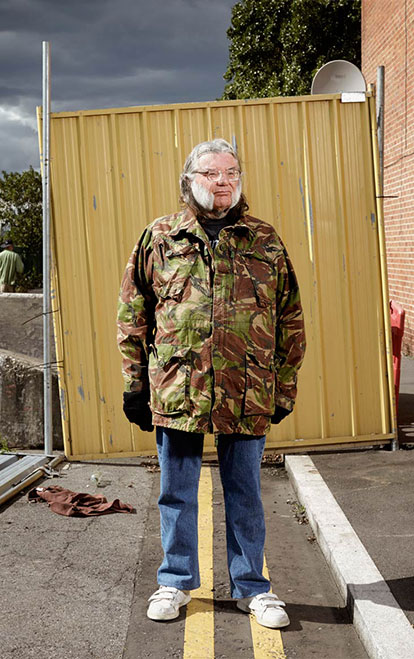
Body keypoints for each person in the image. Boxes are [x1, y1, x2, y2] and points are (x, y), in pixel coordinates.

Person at [117, 138, 306, 628]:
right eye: (212, 173)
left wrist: (284, 387)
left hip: (247, 391)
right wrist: (135, 385)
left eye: (231, 172)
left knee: (245, 493)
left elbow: (290, 317)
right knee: (176, 493)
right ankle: (175, 581)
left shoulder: (264, 240)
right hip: (179, 389)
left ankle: (252, 588)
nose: (223, 181)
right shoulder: (160, 237)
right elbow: (133, 314)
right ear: (189, 180)